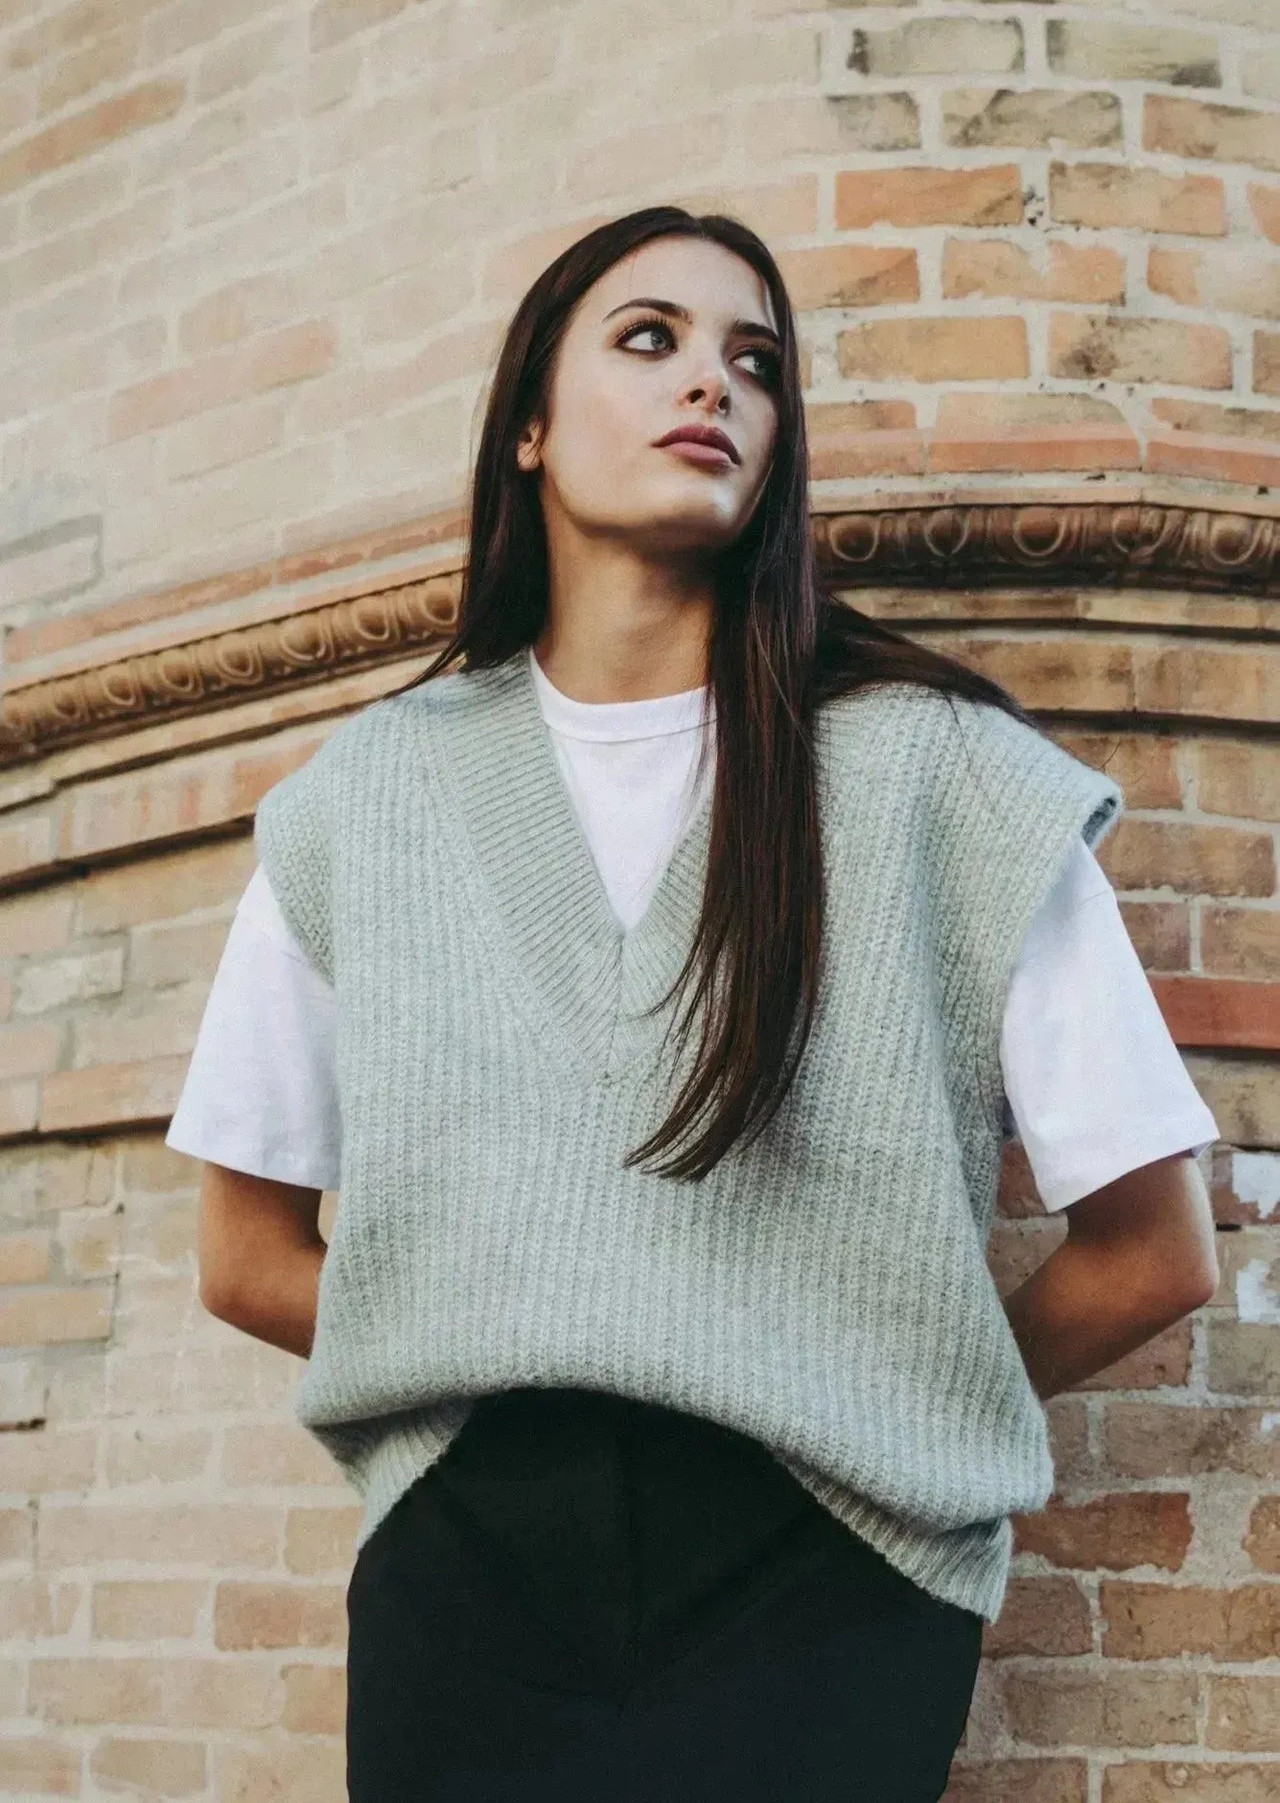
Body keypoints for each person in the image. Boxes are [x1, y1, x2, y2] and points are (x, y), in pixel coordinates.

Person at [170, 205, 1221, 1801]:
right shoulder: (361, 800)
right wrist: (514, 1323)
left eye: (757, 362)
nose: (711, 386)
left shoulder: (940, 777)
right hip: (468, 1573)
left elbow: (1154, 1251)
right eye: (649, 339)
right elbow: (246, 1256)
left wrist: (875, 1382)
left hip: (827, 1577)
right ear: (529, 421)